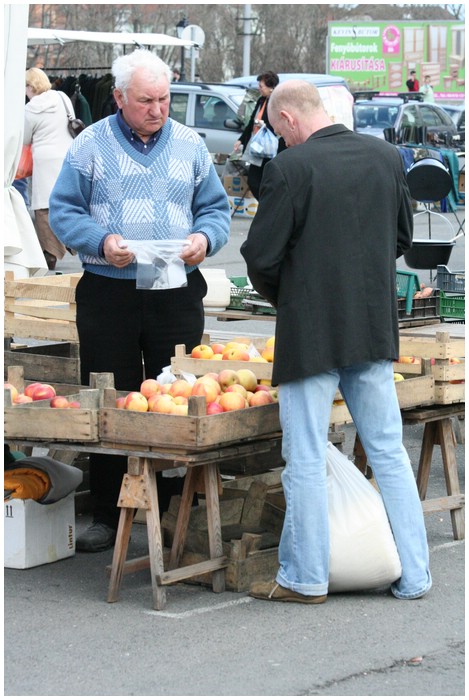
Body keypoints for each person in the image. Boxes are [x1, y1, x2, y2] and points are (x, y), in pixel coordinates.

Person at [241, 80, 431, 604]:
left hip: (311, 331)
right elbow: (401, 238)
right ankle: (415, 575)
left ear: (288, 121)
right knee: (389, 452)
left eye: (279, 131)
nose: (281, 139)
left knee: (303, 457)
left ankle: (306, 579)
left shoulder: (289, 169)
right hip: (370, 325)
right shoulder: (385, 156)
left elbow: (260, 257)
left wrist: (292, 296)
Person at [49, 49, 230, 553]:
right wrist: (100, 241)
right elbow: (63, 210)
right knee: (111, 395)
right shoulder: (90, 143)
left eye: (165, 99)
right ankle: (110, 511)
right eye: (146, 100)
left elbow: (216, 209)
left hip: (174, 287)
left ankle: (177, 508)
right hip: (110, 289)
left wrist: (204, 239)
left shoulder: (190, 144)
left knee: (176, 393)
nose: (158, 109)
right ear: (120, 98)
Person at [23, 67, 75, 270]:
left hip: (44, 160)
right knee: (64, 201)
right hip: (66, 155)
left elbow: (25, 138)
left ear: (30, 86)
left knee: (43, 209)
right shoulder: (62, 97)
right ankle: (69, 240)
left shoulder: (30, 108)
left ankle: (51, 253)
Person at [233, 71, 284, 200]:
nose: (259, 89)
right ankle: (264, 204)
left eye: (261, 86)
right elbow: (251, 121)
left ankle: (267, 206)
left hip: (271, 148)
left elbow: (280, 124)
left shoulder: (278, 102)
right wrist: (241, 140)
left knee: (265, 180)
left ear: (271, 88)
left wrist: (265, 124)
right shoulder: (261, 100)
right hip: (257, 147)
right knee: (253, 181)